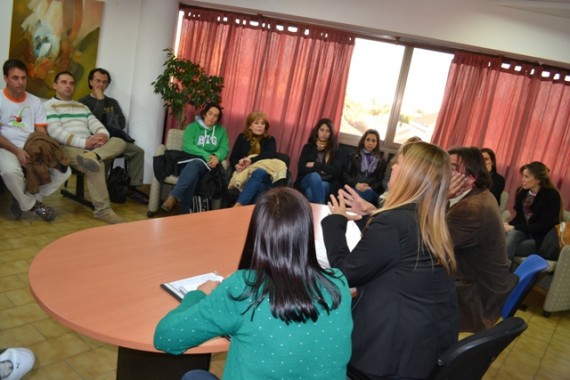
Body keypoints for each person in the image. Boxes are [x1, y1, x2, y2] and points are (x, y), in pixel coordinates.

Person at [154, 187, 352, 380]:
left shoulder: (244, 289)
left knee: (192, 376)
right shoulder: (338, 282)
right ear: (306, 232)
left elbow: (165, 337)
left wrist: (197, 295)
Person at [322, 141, 458, 379]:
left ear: (409, 175)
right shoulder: (432, 220)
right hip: (425, 349)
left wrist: (337, 221)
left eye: (399, 163)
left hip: (387, 358)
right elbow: (401, 246)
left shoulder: (393, 224)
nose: (393, 168)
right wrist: (371, 214)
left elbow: (344, 274)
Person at [447, 147, 517, 332]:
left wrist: (439, 197)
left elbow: (427, 245)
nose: (443, 171)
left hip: (476, 298)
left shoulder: (471, 209)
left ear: (472, 178)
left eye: (452, 167)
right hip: (479, 284)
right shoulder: (479, 196)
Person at [44, 71, 126, 224]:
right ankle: (103, 211)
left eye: (71, 83)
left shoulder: (81, 106)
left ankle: (94, 156)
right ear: (55, 85)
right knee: (96, 166)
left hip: (91, 146)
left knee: (119, 141)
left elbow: (95, 124)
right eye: (64, 82)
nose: (68, 86)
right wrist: (84, 143)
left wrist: (102, 136)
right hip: (67, 147)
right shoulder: (48, 106)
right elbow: (56, 132)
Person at [0, 58, 70, 222]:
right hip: (6, 147)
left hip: (31, 146)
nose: (20, 82)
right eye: (15, 78)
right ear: (5, 78)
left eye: (23, 78)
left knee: (64, 172)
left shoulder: (35, 101)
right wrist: (17, 151)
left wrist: (41, 151)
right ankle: (33, 206)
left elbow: (40, 131)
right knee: (10, 171)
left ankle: (23, 200)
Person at [78, 68, 148, 204]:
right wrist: (100, 101)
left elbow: (121, 123)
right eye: (98, 81)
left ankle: (132, 188)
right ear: (91, 82)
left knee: (138, 151)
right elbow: (90, 123)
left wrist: (110, 119)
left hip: (114, 139)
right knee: (106, 156)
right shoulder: (83, 102)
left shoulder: (113, 102)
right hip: (94, 141)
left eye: (104, 82)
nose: (101, 85)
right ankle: (100, 192)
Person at [160, 103, 229, 214]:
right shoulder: (192, 127)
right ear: (205, 114)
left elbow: (224, 148)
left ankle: (173, 197)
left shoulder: (221, 131)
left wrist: (217, 156)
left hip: (208, 165)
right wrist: (206, 155)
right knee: (193, 173)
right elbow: (187, 146)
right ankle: (184, 212)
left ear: (218, 119)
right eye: (210, 114)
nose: (212, 118)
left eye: (215, 116)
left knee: (196, 164)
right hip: (188, 161)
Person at [504, 161, 563, 261]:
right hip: (525, 232)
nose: (522, 180)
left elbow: (544, 226)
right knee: (507, 235)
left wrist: (514, 227)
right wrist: (507, 224)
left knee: (505, 245)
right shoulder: (522, 191)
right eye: (522, 176)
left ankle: (500, 272)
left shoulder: (552, 196)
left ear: (538, 179)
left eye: (526, 177)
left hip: (541, 239)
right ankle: (500, 272)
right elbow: (520, 218)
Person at [228, 111, 276, 206]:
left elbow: (270, 155)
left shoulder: (270, 139)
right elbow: (233, 157)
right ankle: (250, 215)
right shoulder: (242, 137)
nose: (260, 126)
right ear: (250, 125)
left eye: (263, 124)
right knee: (259, 187)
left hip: (265, 175)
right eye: (256, 123)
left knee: (260, 172)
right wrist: (236, 165)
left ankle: (238, 205)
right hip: (244, 174)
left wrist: (251, 160)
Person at [295, 118, 343, 204]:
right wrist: (322, 170)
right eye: (322, 130)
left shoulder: (335, 150)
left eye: (327, 131)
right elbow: (301, 168)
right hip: (306, 180)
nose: (324, 134)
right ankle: (322, 206)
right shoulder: (308, 147)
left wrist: (315, 165)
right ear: (317, 131)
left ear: (331, 133)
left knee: (310, 192)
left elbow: (336, 171)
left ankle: (310, 215)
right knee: (314, 176)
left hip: (327, 182)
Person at [343, 129, 386, 207]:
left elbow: (380, 180)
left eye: (373, 141)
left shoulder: (381, 160)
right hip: (353, 187)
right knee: (355, 195)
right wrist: (356, 184)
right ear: (363, 140)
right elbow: (344, 175)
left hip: (370, 191)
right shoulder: (353, 156)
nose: (370, 143)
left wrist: (369, 187)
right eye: (368, 140)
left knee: (367, 194)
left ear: (377, 143)